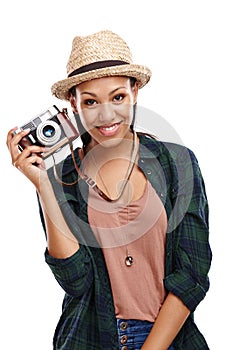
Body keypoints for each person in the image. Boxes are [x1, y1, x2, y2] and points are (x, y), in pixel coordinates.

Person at [7, 30, 212, 350]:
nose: (106, 114)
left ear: (135, 91)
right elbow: (75, 280)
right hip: (89, 338)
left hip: (168, 340)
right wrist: (43, 183)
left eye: (117, 97)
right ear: (72, 104)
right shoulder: (63, 177)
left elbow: (193, 274)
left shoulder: (177, 163)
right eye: (90, 101)